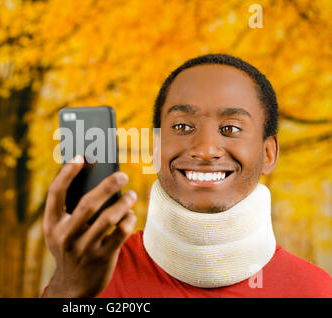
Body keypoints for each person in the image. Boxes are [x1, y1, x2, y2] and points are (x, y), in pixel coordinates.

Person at [42, 54, 332, 298]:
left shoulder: (317, 290)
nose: (206, 150)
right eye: (182, 127)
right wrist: (67, 291)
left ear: (268, 153)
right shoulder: (87, 278)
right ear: (155, 148)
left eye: (230, 128)